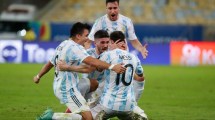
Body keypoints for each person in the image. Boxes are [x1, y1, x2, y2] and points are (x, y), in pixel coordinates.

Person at [33, 22, 126, 120]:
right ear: (78, 36)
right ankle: (53, 117)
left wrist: (38, 76)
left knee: (94, 83)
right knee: (88, 118)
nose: (87, 39)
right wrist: (112, 66)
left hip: (63, 84)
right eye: (86, 36)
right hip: (68, 89)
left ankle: (81, 106)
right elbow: (91, 62)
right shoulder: (75, 48)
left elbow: (50, 63)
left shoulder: (63, 44)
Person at [91, 31, 147, 120]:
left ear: (111, 42)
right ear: (124, 42)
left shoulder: (107, 55)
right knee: (133, 115)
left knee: (87, 116)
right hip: (128, 106)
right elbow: (140, 76)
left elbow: (98, 68)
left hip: (108, 105)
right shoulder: (134, 57)